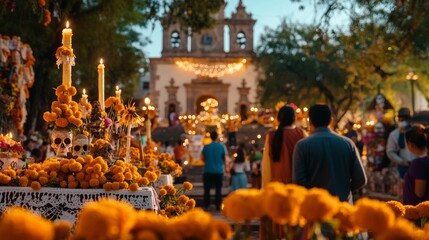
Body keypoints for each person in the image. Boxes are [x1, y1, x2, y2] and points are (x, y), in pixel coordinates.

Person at [293, 104, 367, 203]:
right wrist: (343, 189)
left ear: (310, 121)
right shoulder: (347, 143)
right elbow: (361, 179)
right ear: (331, 120)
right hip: (343, 206)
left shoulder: (302, 146)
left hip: (315, 208)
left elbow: (298, 182)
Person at [261, 105, 307, 187]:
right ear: (294, 119)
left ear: (278, 119)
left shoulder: (271, 136)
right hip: (297, 187)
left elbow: (266, 167)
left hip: (277, 187)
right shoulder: (301, 134)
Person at [386, 107, 416, 178]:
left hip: (416, 164)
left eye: (404, 119)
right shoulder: (394, 134)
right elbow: (390, 151)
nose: (402, 121)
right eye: (400, 119)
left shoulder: (416, 131)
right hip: (403, 167)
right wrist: (401, 161)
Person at [403, 125, 429, 205]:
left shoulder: (418, 163)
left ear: (410, 144)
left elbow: (419, 193)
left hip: (417, 212)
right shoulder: (423, 161)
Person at [200, 131, 226, 211]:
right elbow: (224, 158)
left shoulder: (206, 147)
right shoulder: (221, 146)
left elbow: (203, 159)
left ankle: (206, 205)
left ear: (210, 137)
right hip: (219, 171)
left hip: (208, 170)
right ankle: (218, 205)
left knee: (207, 189)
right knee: (218, 189)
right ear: (217, 137)